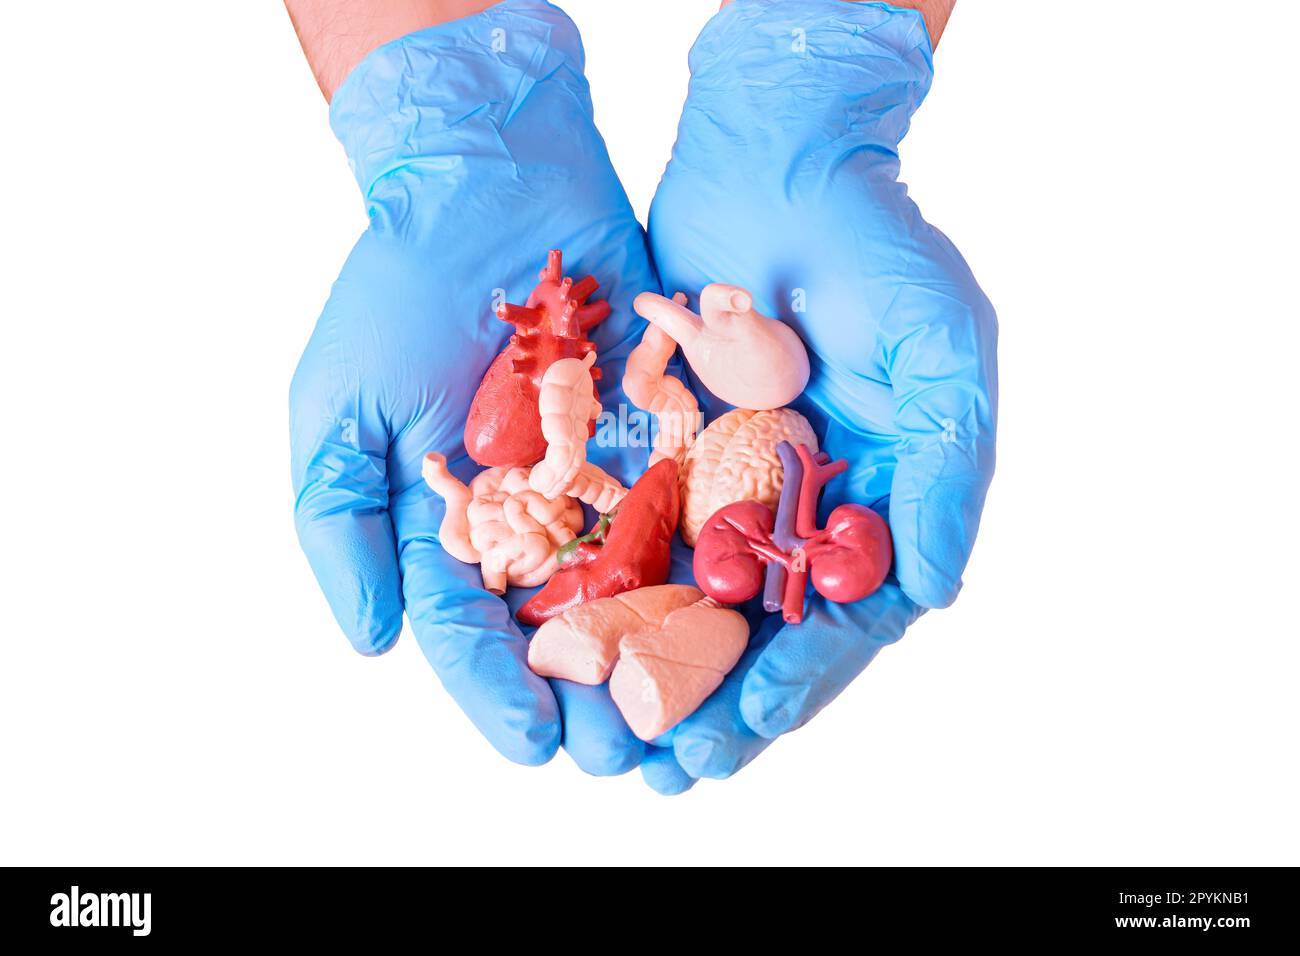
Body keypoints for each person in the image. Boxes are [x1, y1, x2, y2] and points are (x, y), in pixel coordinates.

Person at [286, 0, 996, 794]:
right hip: (633, 473)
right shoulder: (586, 466)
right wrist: (458, 138)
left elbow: (637, 418)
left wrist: (806, 90)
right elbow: (613, 429)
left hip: (674, 465)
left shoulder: (669, 445)